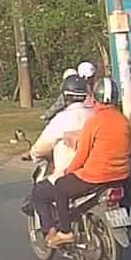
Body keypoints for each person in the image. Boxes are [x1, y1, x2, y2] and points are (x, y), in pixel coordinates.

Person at [43, 78, 131, 248]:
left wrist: (68, 171)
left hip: (95, 177)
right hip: (121, 176)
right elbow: (128, 150)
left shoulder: (94, 123)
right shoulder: (124, 121)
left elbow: (82, 155)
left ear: (96, 98)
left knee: (61, 186)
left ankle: (65, 231)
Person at [29, 75, 93, 233]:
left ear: (65, 96)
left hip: (71, 174)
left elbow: (42, 146)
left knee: (39, 194)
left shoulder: (61, 119)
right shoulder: (95, 115)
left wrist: (34, 154)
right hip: (95, 172)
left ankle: (52, 233)